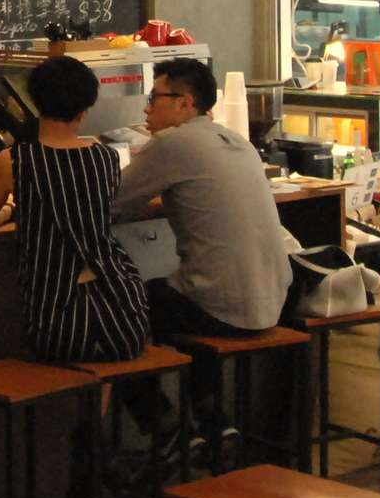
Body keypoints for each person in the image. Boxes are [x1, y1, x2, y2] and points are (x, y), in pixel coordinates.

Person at [0, 54, 150, 364]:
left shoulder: (14, 161)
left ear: (34, 103)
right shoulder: (105, 158)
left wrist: (11, 211)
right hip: (123, 318)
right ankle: (107, 412)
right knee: (108, 363)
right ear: (84, 109)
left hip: (56, 323)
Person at [111, 57, 290, 339]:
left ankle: (147, 382)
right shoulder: (238, 142)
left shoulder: (172, 142)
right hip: (275, 302)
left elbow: (110, 200)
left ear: (184, 102)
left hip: (220, 308)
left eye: (154, 98)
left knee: (128, 299)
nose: (147, 108)